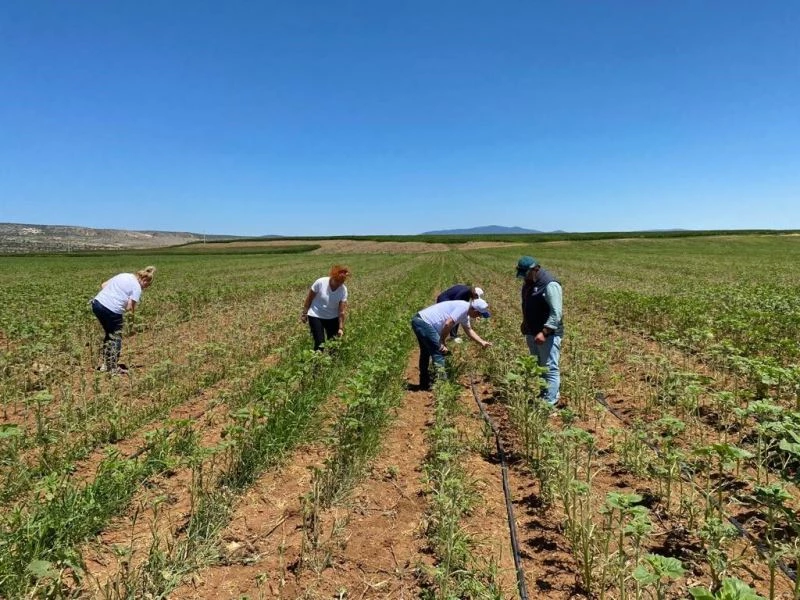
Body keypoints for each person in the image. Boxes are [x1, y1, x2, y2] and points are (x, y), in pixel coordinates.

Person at [410, 298, 492, 390]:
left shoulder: (465, 313)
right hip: (423, 322)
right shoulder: (463, 308)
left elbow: (469, 330)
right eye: (479, 314)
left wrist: (482, 342)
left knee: (426, 352)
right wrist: (442, 341)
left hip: (420, 321)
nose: (479, 316)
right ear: (474, 309)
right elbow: (448, 323)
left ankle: (424, 383)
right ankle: (443, 386)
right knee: (439, 351)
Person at [516, 256, 563, 406]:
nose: (525, 279)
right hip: (532, 332)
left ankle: (550, 401)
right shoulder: (528, 283)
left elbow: (556, 313)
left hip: (547, 334)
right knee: (539, 366)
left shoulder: (550, 284)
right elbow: (527, 304)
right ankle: (544, 393)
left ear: (536, 269)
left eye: (527, 275)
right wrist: (525, 322)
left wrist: (545, 332)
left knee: (549, 367)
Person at [91, 266, 156, 374]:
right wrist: (132, 325)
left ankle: (106, 365)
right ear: (145, 280)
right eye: (147, 285)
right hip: (112, 310)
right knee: (116, 337)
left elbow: (103, 285)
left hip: (97, 304)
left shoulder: (124, 275)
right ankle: (112, 367)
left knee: (110, 334)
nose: (146, 288)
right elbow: (130, 308)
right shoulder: (137, 288)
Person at [301, 265, 350, 351]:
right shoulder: (320, 282)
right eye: (337, 281)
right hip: (315, 315)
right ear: (332, 277)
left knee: (334, 344)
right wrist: (304, 313)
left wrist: (340, 328)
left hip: (332, 317)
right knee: (320, 343)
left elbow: (341, 311)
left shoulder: (343, 290)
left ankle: (333, 363)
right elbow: (309, 299)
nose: (339, 284)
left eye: (341, 282)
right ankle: (317, 363)